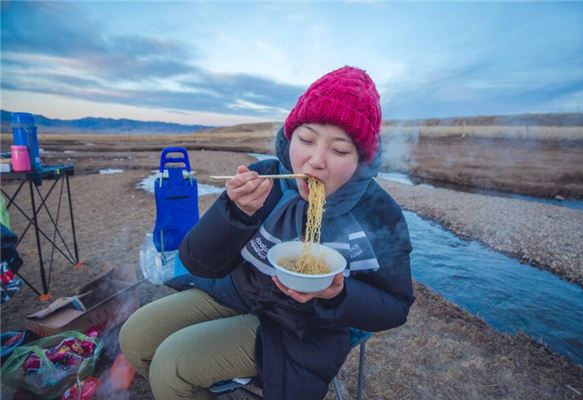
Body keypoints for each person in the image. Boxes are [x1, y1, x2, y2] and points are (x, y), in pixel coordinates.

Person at [119, 66, 414, 400]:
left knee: (170, 365)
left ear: (362, 159)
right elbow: (197, 261)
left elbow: (396, 305)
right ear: (289, 138)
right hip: (235, 293)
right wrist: (234, 213)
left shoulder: (379, 212)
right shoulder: (263, 181)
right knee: (135, 337)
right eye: (306, 139)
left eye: (340, 150)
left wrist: (337, 295)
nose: (316, 161)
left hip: (301, 329)